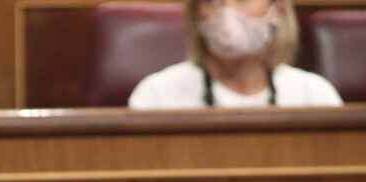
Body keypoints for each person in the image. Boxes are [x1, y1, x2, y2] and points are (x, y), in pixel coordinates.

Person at [128, 0, 342, 109]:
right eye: (212, 0)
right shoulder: (156, 96)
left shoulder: (314, 96)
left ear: (277, 10)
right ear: (196, 15)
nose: (226, 12)